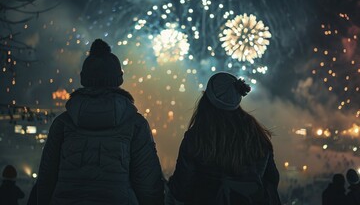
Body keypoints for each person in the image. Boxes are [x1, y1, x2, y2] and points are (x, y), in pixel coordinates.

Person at [37, 39, 164, 205]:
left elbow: (46, 179)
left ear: (84, 78)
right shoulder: (135, 124)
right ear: (119, 78)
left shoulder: (63, 123)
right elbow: (149, 183)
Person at [168, 72, 281, 205]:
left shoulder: (197, 139)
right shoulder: (258, 137)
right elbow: (271, 180)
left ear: (206, 101)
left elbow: (181, 189)